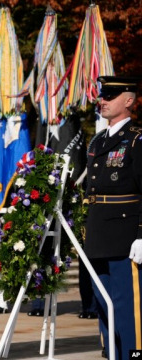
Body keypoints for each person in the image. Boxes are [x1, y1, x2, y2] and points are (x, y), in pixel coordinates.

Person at [84, 76, 142, 360]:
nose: (102, 100)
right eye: (101, 95)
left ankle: (134, 355)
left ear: (128, 100)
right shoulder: (98, 140)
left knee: (128, 309)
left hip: (125, 237)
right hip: (97, 235)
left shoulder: (137, 138)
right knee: (104, 304)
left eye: (109, 95)